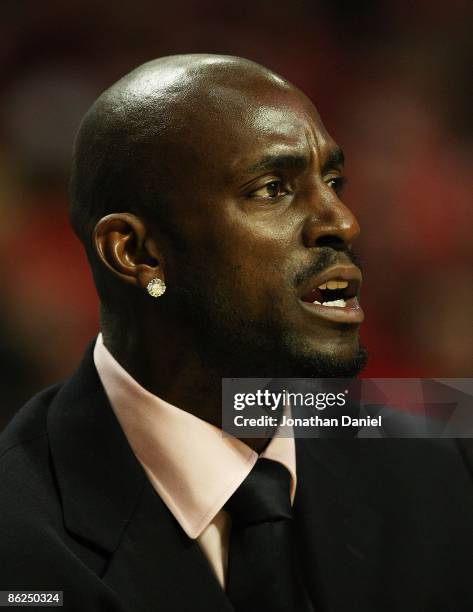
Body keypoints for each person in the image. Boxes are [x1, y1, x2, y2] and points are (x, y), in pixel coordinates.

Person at [1, 54, 472, 612]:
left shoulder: (445, 445)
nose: (343, 221)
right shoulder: (20, 543)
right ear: (138, 253)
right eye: (272, 188)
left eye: (334, 180)